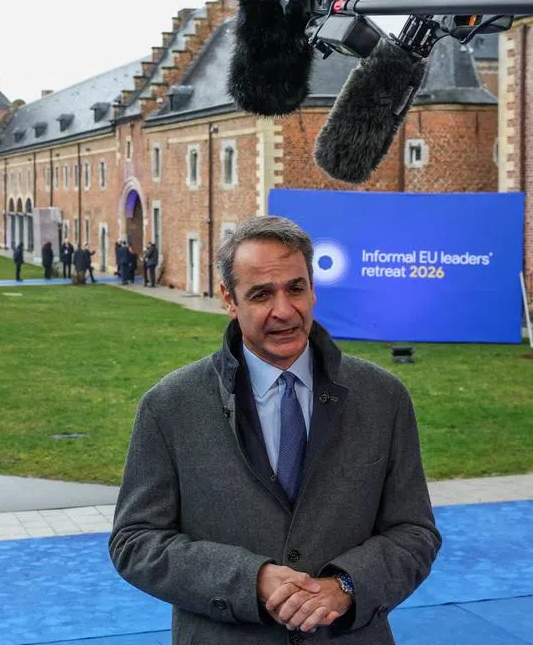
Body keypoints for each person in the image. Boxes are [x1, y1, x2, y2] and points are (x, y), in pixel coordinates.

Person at [109, 215, 440, 644]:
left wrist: (345, 588)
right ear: (229, 299)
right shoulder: (170, 405)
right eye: (262, 294)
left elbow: (414, 532)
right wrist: (251, 579)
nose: (284, 311)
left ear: (313, 288)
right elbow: (135, 542)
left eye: (295, 288)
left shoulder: (382, 397)